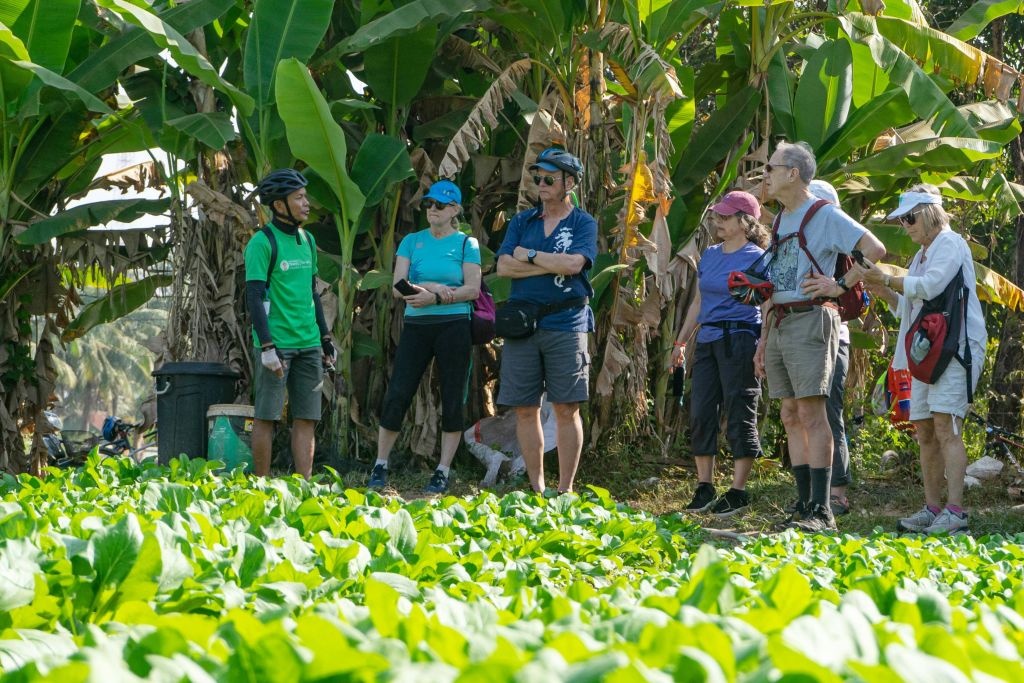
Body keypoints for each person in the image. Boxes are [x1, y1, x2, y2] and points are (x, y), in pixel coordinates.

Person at [755, 142, 886, 532]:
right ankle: (803, 503)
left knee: (812, 412)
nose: (766, 174)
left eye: (771, 168)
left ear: (793, 173)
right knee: (790, 413)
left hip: (811, 320)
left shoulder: (824, 214)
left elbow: (873, 248)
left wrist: (839, 284)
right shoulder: (781, 219)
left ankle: (823, 509)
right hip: (781, 319)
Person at [851, 185, 987, 534]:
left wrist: (891, 279)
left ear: (929, 213)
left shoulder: (950, 244)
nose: (906, 226)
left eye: (910, 218)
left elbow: (929, 286)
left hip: (956, 347)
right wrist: (884, 290)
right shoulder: (921, 254)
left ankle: (955, 512)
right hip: (926, 350)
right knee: (924, 429)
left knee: (947, 426)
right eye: (902, 220)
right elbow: (910, 310)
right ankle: (932, 507)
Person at [496, 147, 598, 493]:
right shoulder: (522, 221)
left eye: (548, 178)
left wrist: (531, 255)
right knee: (525, 409)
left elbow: (574, 266)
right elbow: (504, 266)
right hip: (522, 324)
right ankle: (537, 488)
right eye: (537, 177)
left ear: (569, 182)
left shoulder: (582, 222)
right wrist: (548, 261)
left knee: (566, 407)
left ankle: (565, 489)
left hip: (566, 323)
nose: (540, 183)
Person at [370, 180, 481, 494]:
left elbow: (472, 289)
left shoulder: (466, 244)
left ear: (455, 210)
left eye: (440, 205)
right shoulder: (412, 241)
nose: (432, 210)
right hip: (417, 325)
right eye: (429, 204)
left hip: (454, 325)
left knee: (452, 396)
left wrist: (439, 298)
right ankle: (380, 464)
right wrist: (432, 288)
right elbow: (398, 285)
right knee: (398, 393)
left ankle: (443, 470)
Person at [673, 191, 770, 516]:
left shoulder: (756, 256)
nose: (718, 221)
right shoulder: (711, 255)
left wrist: (764, 343)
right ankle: (704, 486)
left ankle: (739, 490)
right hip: (709, 340)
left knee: (740, 409)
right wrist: (681, 342)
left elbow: (766, 304)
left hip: (741, 338)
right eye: (718, 215)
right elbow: (698, 303)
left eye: (725, 217)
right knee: (701, 411)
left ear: (745, 222)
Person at [245, 169, 336, 479]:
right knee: (266, 416)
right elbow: (254, 297)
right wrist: (267, 347)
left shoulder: (307, 240)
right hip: (277, 345)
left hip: (309, 342)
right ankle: (261, 483)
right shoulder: (262, 242)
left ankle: (304, 484)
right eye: (299, 198)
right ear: (279, 205)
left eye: (305, 196)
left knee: (307, 417)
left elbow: (312, 293)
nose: (306, 203)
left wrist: (325, 338)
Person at [808, 180, 853, 516]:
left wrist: (836, 286)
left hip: (835, 334)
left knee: (829, 411)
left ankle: (837, 492)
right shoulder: (799, 240)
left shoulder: (841, 244)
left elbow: (871, 261)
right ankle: (815, 492)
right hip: (802, 333)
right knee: (806, 411)